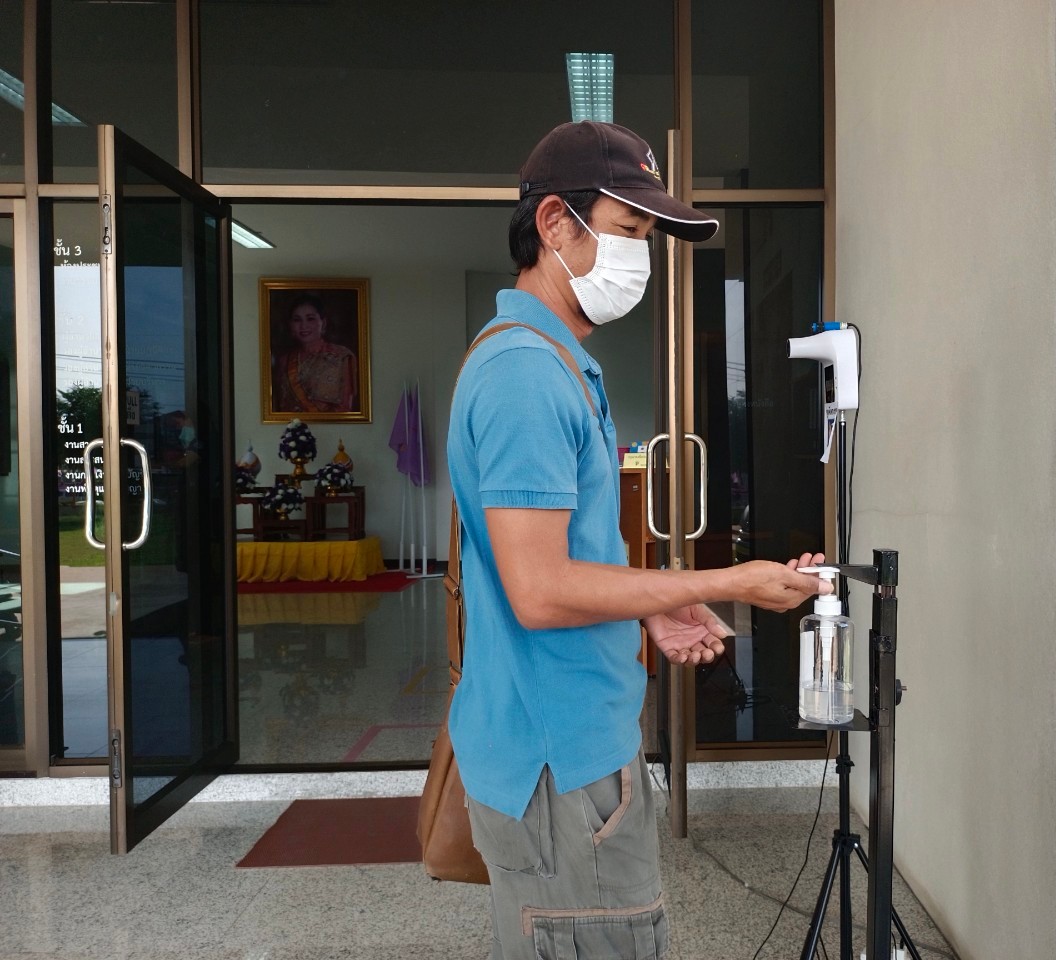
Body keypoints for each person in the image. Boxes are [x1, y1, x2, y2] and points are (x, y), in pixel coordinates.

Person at [446, 120, 828, 960]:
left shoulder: (555, 362)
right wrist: (726, 580)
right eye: (629, 232)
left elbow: (559, 564)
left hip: (571, 749)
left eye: (647, 239)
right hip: (560, 766)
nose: (641, 261)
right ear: (555, 223)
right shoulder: (524, 374)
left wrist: (652, 606)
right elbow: (540, 591)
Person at [273, 293, 356, 413]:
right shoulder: (284, 361)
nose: (303, 326)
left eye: (310, 319)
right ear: (290, 324)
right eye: (297, 320)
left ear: (323, 322)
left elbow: (344, 408)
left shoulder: (341, 356)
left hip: (332, 424)